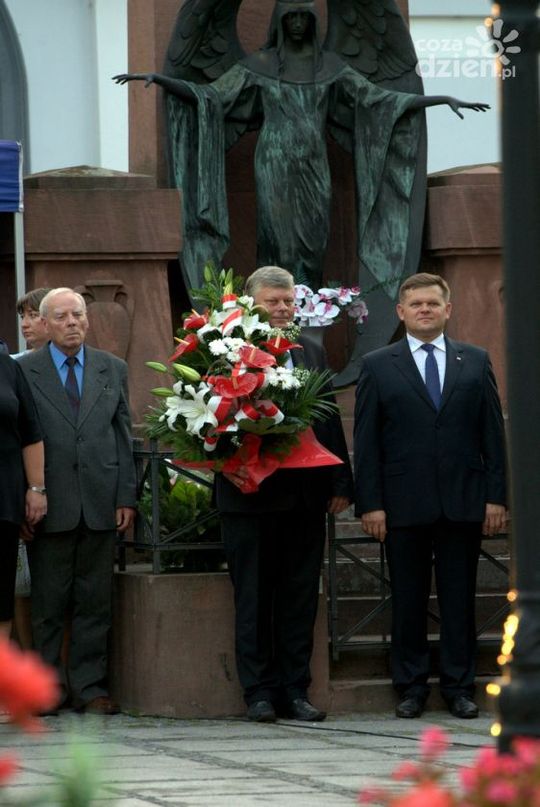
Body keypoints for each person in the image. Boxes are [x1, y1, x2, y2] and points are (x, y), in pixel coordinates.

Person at [113, 1, 488, 300]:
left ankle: (309, 318)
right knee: (277, 239)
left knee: (313, 241)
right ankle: (270, 316)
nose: (296, 24)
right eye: (289, 17)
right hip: (273, 163)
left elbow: (380, 100)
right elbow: (210, 96)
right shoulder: (258, 66)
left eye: (302, 17)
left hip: (315, 164)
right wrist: (161, 80)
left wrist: (440, 99)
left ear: (312, 22)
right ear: (279, 22)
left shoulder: (331, 67)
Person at [353, 273, 507, 719]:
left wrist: (496, 497)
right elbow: (367, 441)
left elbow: (492, 436)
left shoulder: (474, 360)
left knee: (459, 599)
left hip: (463, 501)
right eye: (416, 304)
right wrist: (371, 503)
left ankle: (459, 688)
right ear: (401, 312)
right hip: (402, 504)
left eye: (432, 303)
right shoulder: (378, 365)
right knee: (408, 598)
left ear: (447, 310)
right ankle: (411, 687)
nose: (425, 309)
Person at [214, 265, 353, 722]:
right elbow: (209, 423)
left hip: (304, 497)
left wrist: (340, 481)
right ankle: (258, 692)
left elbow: (328, 417)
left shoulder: (309, 349)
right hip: (248, 496)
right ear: (249, 303)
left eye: (289, 301)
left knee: (298, 597)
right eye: (272, 301)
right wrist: (226, 464)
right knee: (254, 598)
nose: (282, 309)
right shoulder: (222, 348)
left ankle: (296, 690)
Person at [19, 288, 137, 715]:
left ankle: (90, 688)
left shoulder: (112, 368)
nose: (72, 323)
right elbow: (17, 438)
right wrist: (26, 496)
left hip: (101, 501)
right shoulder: (24, 370)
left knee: (94, 602)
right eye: (62, 316)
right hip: (49, 504)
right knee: (48, 604)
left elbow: (123, 436)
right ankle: (47, 689)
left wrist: (126, 496)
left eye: (78, 315)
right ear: (44, 323)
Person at [11, 287, 51, 649]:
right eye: (22, 316)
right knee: (19, 585)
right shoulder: (15, 365)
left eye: (33, 315)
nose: (26, 323)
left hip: (58, 482)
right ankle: (26, 657)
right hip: (21, 487)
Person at [0, 352, 47, 638]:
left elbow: (30, 433)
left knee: (1, 600)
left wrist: (36, 488)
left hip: (4, 503)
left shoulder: (7, 367)